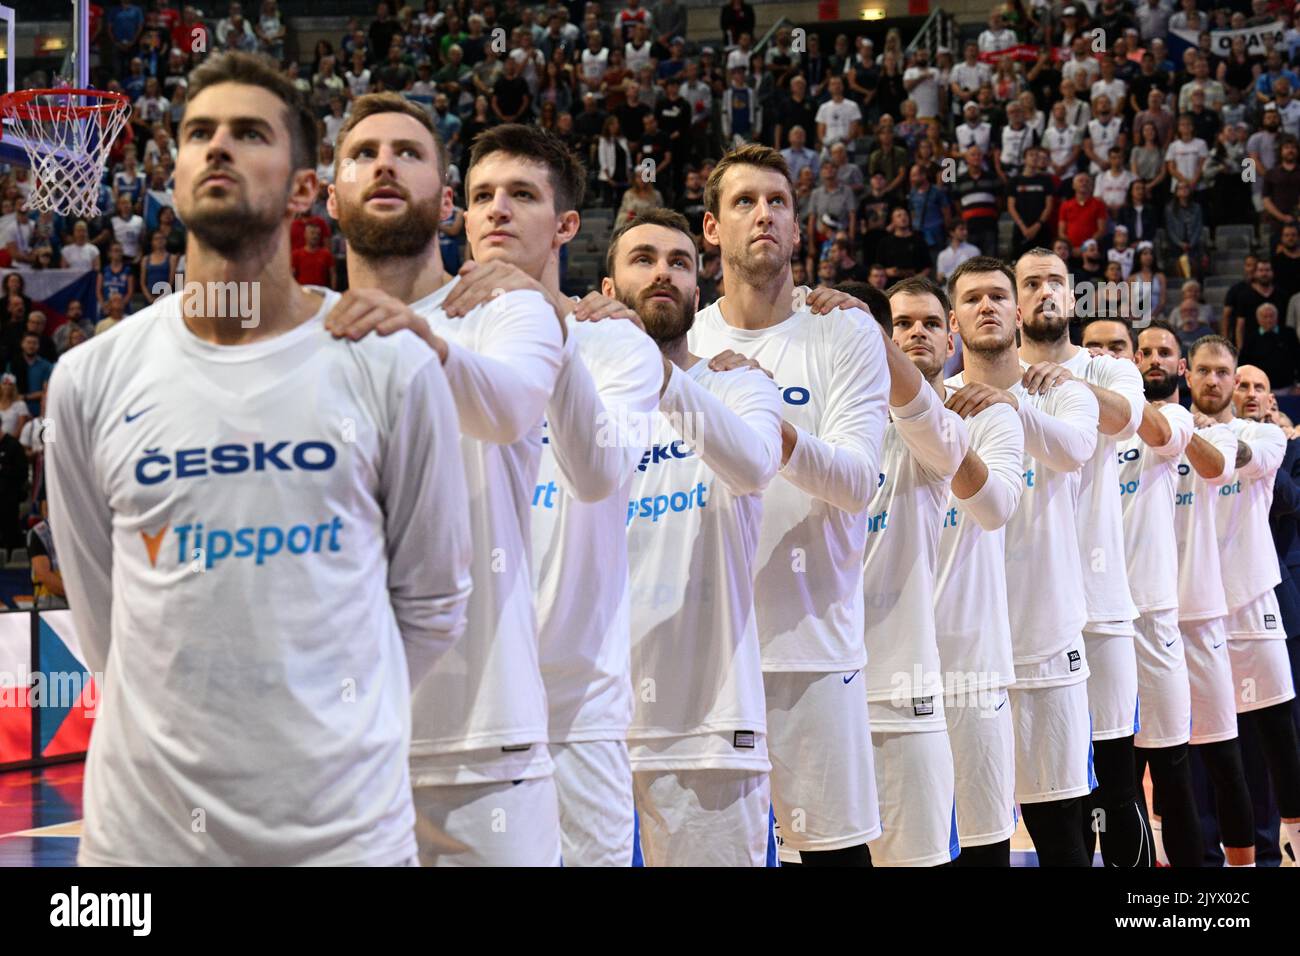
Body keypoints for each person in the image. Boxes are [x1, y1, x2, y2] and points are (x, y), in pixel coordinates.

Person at [45, 50, 474, 867]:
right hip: (142, 845)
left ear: (306, 189)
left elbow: (432, 604)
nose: (217, 148)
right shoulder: (89, 379)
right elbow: (106, 617)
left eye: (248, 133)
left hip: (344, 838)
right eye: (199, 133)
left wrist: (330, 727)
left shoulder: (390, 364)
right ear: (172, 176)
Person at [324, 92, 566, 866]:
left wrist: (415, 336)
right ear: (330, 197)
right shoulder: (303, 337)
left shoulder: (504, 313)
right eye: (362, 154)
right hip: (339, 750)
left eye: (409, 152)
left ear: (446, 200)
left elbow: (507, 406)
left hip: (486, 744)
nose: (384, 164)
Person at [460, 126, 661, 868]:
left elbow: (596, 471)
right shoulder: (430, 337)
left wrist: (552, 326)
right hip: (461, 709)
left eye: (522, 195)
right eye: (482, 196)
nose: (497, 211)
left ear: (567, 225)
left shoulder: (617, 346)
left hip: (580, 713)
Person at [692, 144, 888, 866]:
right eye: (744, 202)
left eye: (778, 202)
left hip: (814, 648)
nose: (763, 215)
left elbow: (862, 480)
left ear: (800, 228)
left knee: (834, 855)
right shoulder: (686, 337)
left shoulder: (843, 330)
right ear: (712, 228)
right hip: (705, 653)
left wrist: (775, 438)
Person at [609, 207, 783, 865]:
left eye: (680, 262)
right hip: (588, 728)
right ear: (606, 291)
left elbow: (754, 462)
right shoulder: (574, 402)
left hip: (709, 730)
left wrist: (652, 372)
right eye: (644, 258)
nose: (663, 273)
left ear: (697, 292)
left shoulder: (740, 384)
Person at [947, 255, 1100, 866]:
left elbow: (1075, 449)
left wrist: (1010, 406)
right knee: (977, 834)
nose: (986, 306)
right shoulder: (936, 402)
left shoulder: (1059, 389)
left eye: (996, 297)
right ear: (953, 321)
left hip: (1047, 639)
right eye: (971, 299)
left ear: (1017, 312)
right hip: (965, 650)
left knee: (1062, 827)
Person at [1017, 250, 1155, 869]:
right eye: (1031, 284)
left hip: (1100, 608)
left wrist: (1073, 382)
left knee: (1117, 786)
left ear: (1074, 298)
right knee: (1052, 794)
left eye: (1055, 283)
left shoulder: (1108, 369)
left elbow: (1126, 418)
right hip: (1024, 614)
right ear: (1015, 301)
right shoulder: (990, 375)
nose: (1045, 292)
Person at [853, 276, 970, 866]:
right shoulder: (837, 421)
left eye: (928, 323)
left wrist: (866, 335)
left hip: (909, 689)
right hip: (817, 691)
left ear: (951, 337)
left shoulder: (946, 424)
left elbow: (993, 504)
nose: (913, 335)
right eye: (900, 324)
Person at [1084, 317, 1202, 866]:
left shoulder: (1167, 415)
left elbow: (1156, 429)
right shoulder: (1061, 417)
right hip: (1085, 618)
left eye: (1117, 349)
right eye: (1094, 348)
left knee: (1171, 768)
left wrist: (1086, 383)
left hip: (1150, 615)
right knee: (1100, 780)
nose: (1105, 357)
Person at [1213, 358, 1300, 863]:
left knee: (1277, 738)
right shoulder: (1197, 436)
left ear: (1271, 398)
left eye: (1258, 387)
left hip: (1273, 599)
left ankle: (1275, 847)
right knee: (1222, 742)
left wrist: (1276, 442)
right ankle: (1225, 849)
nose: (1246, 392)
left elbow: (1290, 500)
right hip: (1208, 600)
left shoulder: (1282, 443)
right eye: (1239, 383)